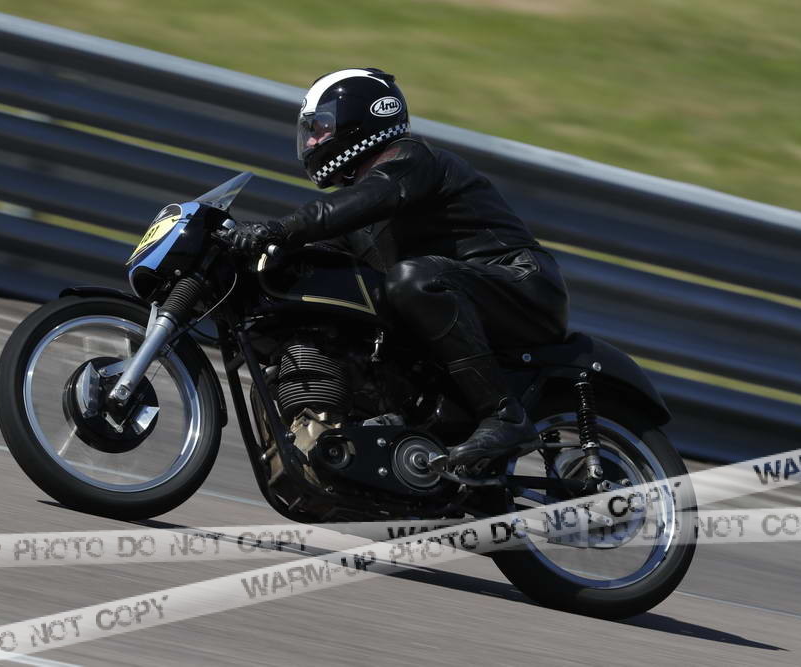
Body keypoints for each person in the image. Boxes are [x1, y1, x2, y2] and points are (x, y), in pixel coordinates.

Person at [229, 68, 569, 472]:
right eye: (311, 131)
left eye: (321, 128)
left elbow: (367, 199)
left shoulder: (410, 159)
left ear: (360, 120)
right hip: (460, 299)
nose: (314, 141)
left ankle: (505, 417)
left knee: (412, 279)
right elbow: (322, 250)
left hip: (520, 285)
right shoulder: (358, 218)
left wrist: (278, 229)